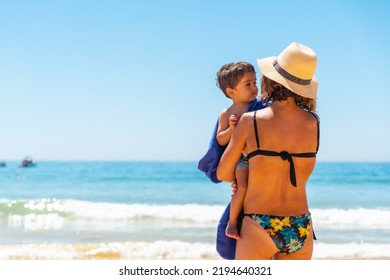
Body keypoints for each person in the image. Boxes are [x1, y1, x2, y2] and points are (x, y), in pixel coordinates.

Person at [217, 42, 320, 260]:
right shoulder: (314, 123)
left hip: (259, 223)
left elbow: (222, 173)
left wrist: (243, 177)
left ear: (271, 79)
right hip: (300, 225)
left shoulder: (250, 121)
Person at [197, 62, 265, 260]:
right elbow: (220, 139)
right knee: (241, 188)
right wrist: (233, 129)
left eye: (255, 82)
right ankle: (233, 222)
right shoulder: (227, 114)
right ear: (231, 91)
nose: (254, 88)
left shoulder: (261, 107)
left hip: (259, 158)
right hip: (241, 159)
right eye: (247, 84)